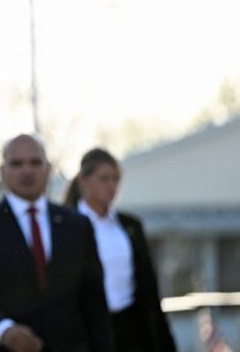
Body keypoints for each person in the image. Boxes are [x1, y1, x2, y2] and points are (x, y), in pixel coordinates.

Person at [0, 134, 112, 352]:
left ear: (47, 168)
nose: (27, 170)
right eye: (16, 163)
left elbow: (94, 300)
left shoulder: (77, 225)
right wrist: (4, 329)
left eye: (35, 162)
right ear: (2, 170)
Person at [64, 148, 176, 352]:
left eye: (116, 179)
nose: (111, 186)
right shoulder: (65, 226)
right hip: (87, 331)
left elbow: (148, 285)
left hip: (131, 328)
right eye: (104, 179)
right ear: (83, 180)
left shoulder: (130, 225)